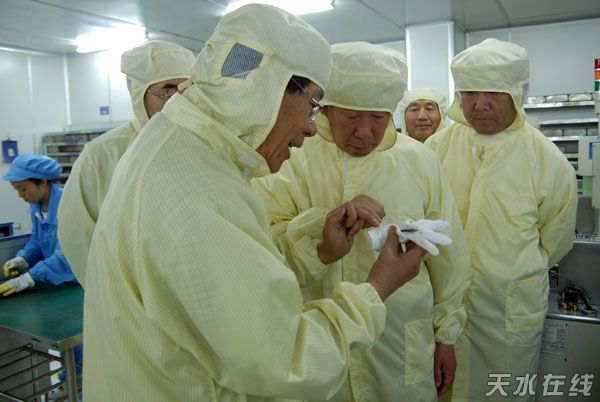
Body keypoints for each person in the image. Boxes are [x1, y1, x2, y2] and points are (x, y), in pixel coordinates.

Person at [82, 5, 427, 401]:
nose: (311, 128)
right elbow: (287, 361)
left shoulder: (180, 148)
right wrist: (377, 288)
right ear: (270, 86)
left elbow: (234, 270)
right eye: (314, 105)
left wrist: (315, 247)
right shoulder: (197, 184)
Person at [253, 42, 471, 402]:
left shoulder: (419, 161)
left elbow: (450, 256)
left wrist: (446, 336)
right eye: (352, 117)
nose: (365, 132)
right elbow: (262, 243)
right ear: (325, 110)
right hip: (319, 341)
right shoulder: (292, 156)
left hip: (398, 339)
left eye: (379, 118)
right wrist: (318, 233)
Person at [426, 38, 578, 402]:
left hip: (507, 314)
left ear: (517, 93)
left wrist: (507, 271)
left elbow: (555, 242)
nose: (480, 104)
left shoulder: (547, 161)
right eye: (469, 92)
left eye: (494, 92)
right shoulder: (435, 149)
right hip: (441, 314)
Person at [58, 40, 195, 286]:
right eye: (168, 91)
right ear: (138, 94)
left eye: (187, 90)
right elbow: (77, 234)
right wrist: (110, 290)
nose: (180, 101)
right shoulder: (103, 154)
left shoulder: (202, 147)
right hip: (129, 291)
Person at [0, 153, 82, 385]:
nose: (20, 195)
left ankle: (83, 390)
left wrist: (29, 278)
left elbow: (66, 254)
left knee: (81, 345)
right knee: (65, 348)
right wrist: (22, 258)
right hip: (56, 285)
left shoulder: (68, 203)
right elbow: (37, 241)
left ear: (43, 181)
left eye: (23, 188)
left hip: (78, 284)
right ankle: (69, 383)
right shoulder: (36, 207)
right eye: (16, 190)